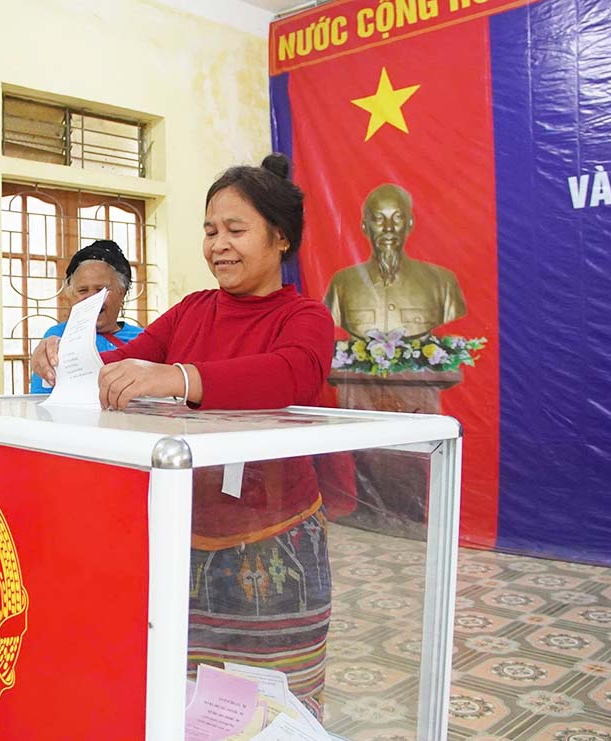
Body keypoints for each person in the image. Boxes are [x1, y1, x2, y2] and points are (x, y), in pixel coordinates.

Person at [32, 154, 335, 715]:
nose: (218, 244)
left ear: (281, 239)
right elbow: (118, 366)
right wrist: (64, 357)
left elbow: (293, 372)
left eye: (236, 230)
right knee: (185, 701)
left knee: (272, 711)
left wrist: (180, 377)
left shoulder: (304, 317)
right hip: (181, 542)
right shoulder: (191, 312)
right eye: (210, 229)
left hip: (277, 548)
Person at [323, 183, 466, 338]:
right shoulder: (342, 284)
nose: (388, 228)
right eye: (378, 219)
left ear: (410, 224)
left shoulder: (442, 283)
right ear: (365, 226)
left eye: (397, 218)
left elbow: (458, 338)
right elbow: (328, 339)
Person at [29, 239, 143, 393]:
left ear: (121, 293)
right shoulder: (56, 338)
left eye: (101, 290)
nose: (92, 298)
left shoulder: (143, 339)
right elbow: (42, 401)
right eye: (83, 290)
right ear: (71, 296)